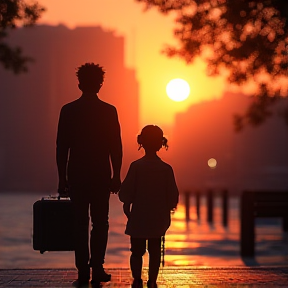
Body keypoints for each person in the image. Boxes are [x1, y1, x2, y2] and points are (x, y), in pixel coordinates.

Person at [56, 63, 122, 287]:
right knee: (100, 223)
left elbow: (61, 147)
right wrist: (116, 175)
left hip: (76, 174)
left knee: (79, 223)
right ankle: (98, 268)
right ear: (100, 85)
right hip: (101, 174)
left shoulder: (68, 110)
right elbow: (116, 147)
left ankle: (83, 270)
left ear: (79, 84)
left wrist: (62, 178)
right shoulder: (109, 111)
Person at [118, 125, 179, 288]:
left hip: (138, 216)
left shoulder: (136, 166)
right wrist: (169, 207)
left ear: (141, 143)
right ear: (161, 144)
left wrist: (127, 204)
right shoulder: (166, 169)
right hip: (158, 217)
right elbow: (173, 195)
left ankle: (137, 280)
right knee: (154, 250)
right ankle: (152, 281)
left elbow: (126, 191)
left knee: (136, 251)